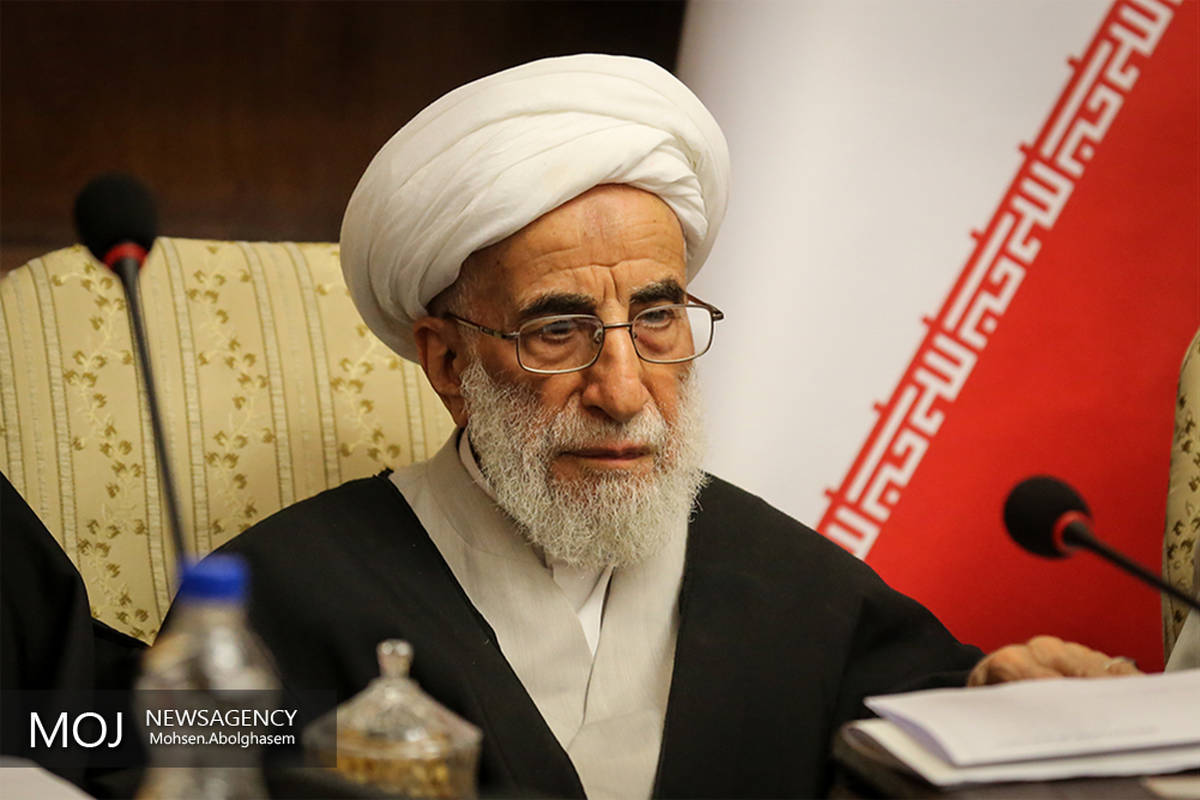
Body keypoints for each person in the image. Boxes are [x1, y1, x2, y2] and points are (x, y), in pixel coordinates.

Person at [204, 55, 1137, 798]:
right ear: (449, 363)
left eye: (656, 319)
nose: (623, 389)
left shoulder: (791, 585)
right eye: (558, 330)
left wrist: (991, 705)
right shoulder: (281, 594)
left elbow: (916, 723)